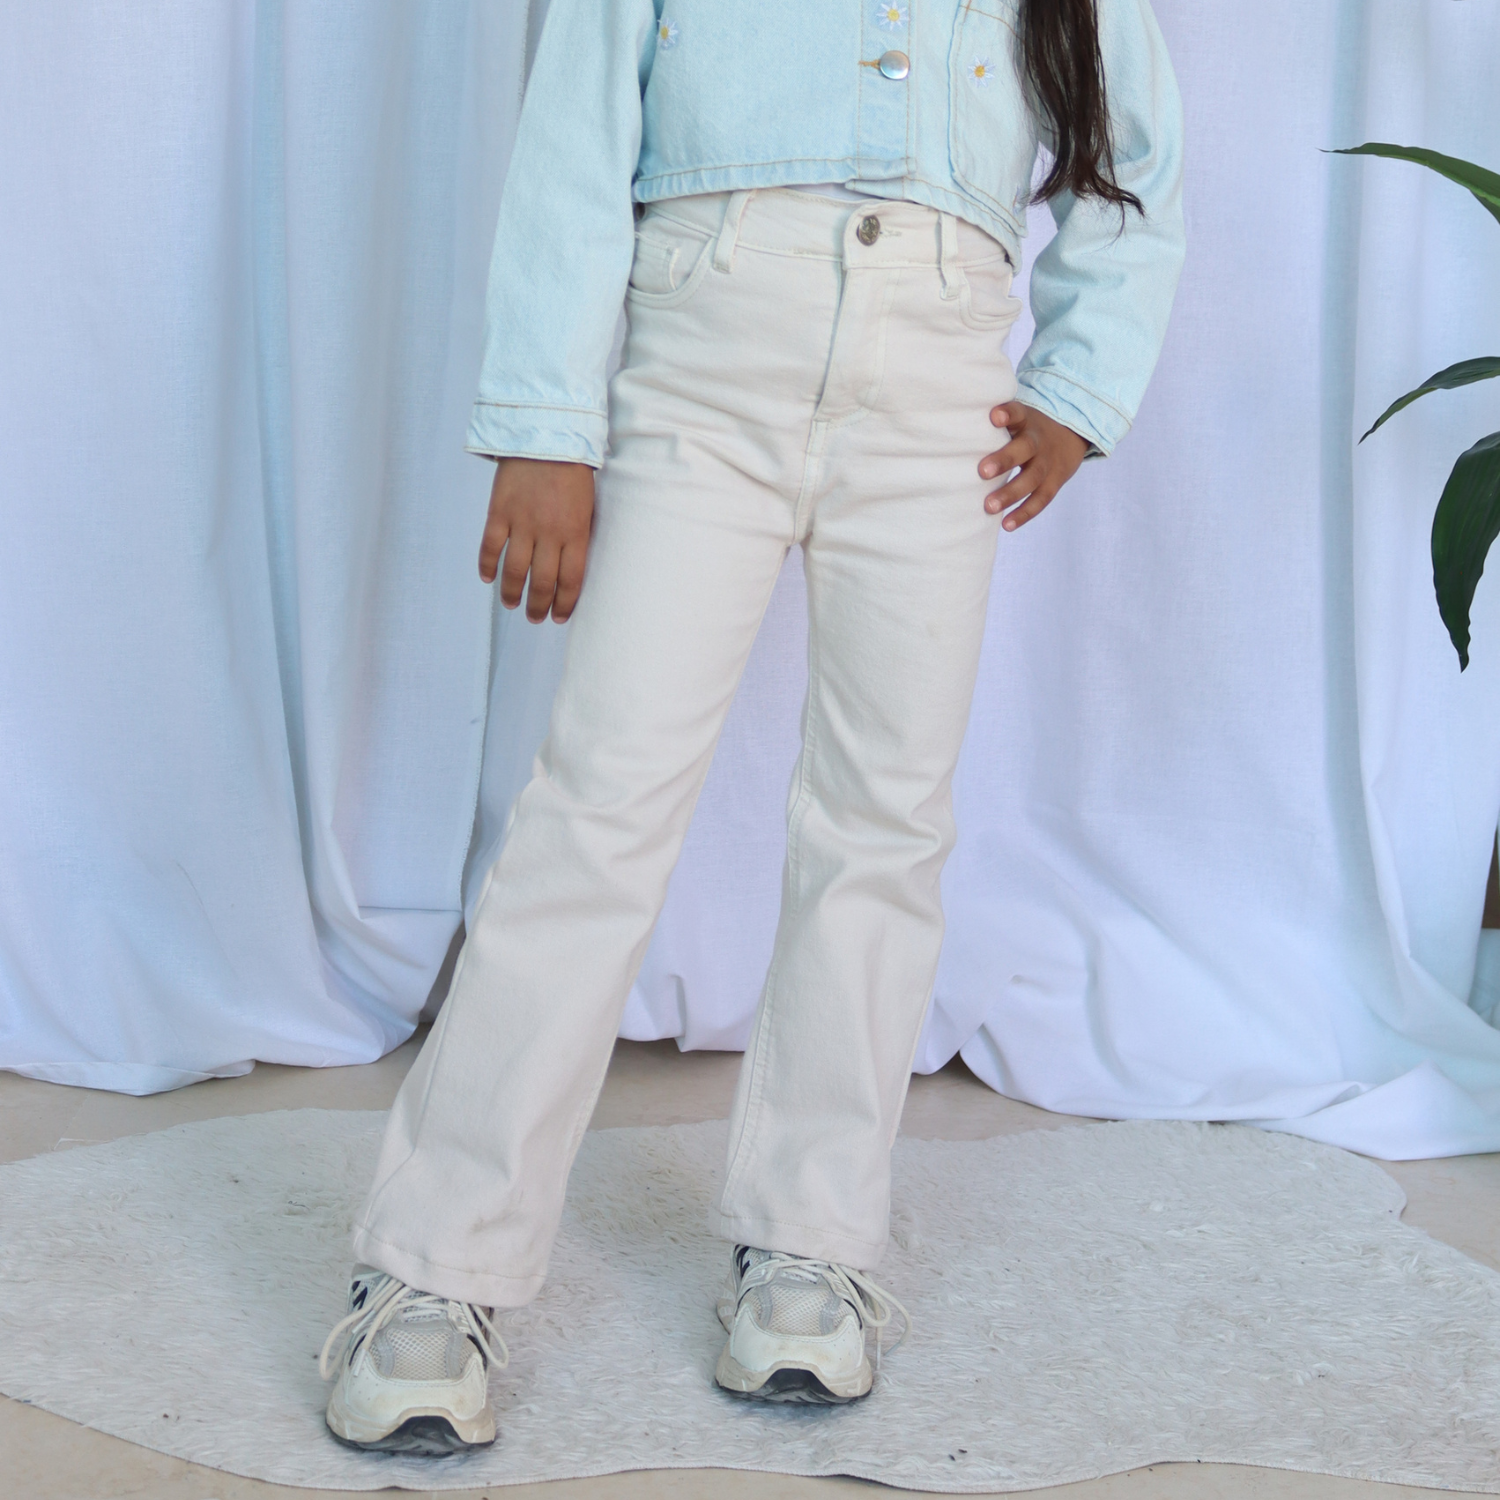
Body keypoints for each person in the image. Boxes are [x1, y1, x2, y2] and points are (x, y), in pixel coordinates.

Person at [317, 0, 1185, 1454]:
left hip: (942, 384)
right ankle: (434, 1260)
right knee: (597, 807)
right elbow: (578, 133)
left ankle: (811, 1244)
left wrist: (1079, 386)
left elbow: (1131, 155)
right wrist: (545, 424)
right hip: (705, 351)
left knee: (884, 822)